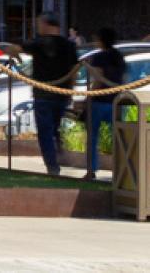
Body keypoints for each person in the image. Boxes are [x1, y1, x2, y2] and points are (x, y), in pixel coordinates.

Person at [22, 15, 79, 177]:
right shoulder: (69, 45)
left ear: (46, 24)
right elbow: (74, 70)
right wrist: (71, 91)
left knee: (45, 132)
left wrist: (14, 54)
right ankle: (57, 151)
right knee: (54, 128)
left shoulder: (38, 43)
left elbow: (17, 48)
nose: (38, 27)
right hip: (61, 94)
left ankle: (52, 166)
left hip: (43, 95)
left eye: (39, 24)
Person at [82, 27, 128, 182]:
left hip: (99, 101)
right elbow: (124, 79)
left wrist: (88, 98)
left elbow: (98, 80)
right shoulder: (119, 56)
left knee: (93, 136)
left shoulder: (99, 57)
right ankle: (122, 170)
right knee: (119, 137)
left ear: (101, 40)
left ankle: (91, 170)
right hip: (116, 101)